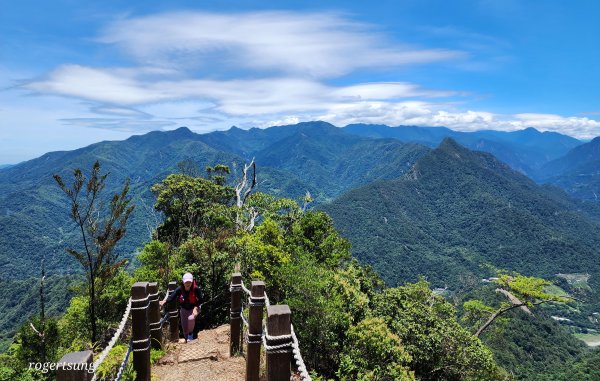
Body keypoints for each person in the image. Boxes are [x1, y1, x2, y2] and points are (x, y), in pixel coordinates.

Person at [159, 272, 202, 343]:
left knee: (191, 318)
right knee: (185, 328)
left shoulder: (196, 289)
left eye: (189, 282)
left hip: (194, 307)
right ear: (183, 282)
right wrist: (165, 301)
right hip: (184, 309)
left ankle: (190, 335)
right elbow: (172, 296)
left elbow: (200, 300)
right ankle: (187, 340)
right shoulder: (180, 289)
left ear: (192, 282)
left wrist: (196, 308)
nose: (188, 284)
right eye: (186, 282)